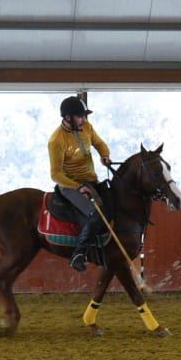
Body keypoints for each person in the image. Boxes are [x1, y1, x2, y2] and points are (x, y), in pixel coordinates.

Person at [48, 95, 112, 271]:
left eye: (84, 116)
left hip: (92, 180)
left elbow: (99, 143)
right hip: (70, 185)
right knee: (95, 214)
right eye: (80, 116)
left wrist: (104, 155)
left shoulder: (87, 127)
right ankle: (79, 253)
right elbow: (56, 174)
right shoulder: (56, 141)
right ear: (67, 117)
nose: (83, 119)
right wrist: (78, 187)